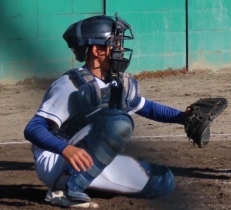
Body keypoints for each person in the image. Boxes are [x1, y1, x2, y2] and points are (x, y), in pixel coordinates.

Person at [24, 15, 187, 208]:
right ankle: (64, 190)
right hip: (58, 159)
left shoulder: (118, 83)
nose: (120, 49)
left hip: (89, 159)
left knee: (163, 181)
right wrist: (65, 149)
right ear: (97, 50)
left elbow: (148, 108)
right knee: (117, 123)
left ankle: (86, 183)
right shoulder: (70, 85)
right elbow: (33, 128)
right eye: (115, 43)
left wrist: (184, 118)